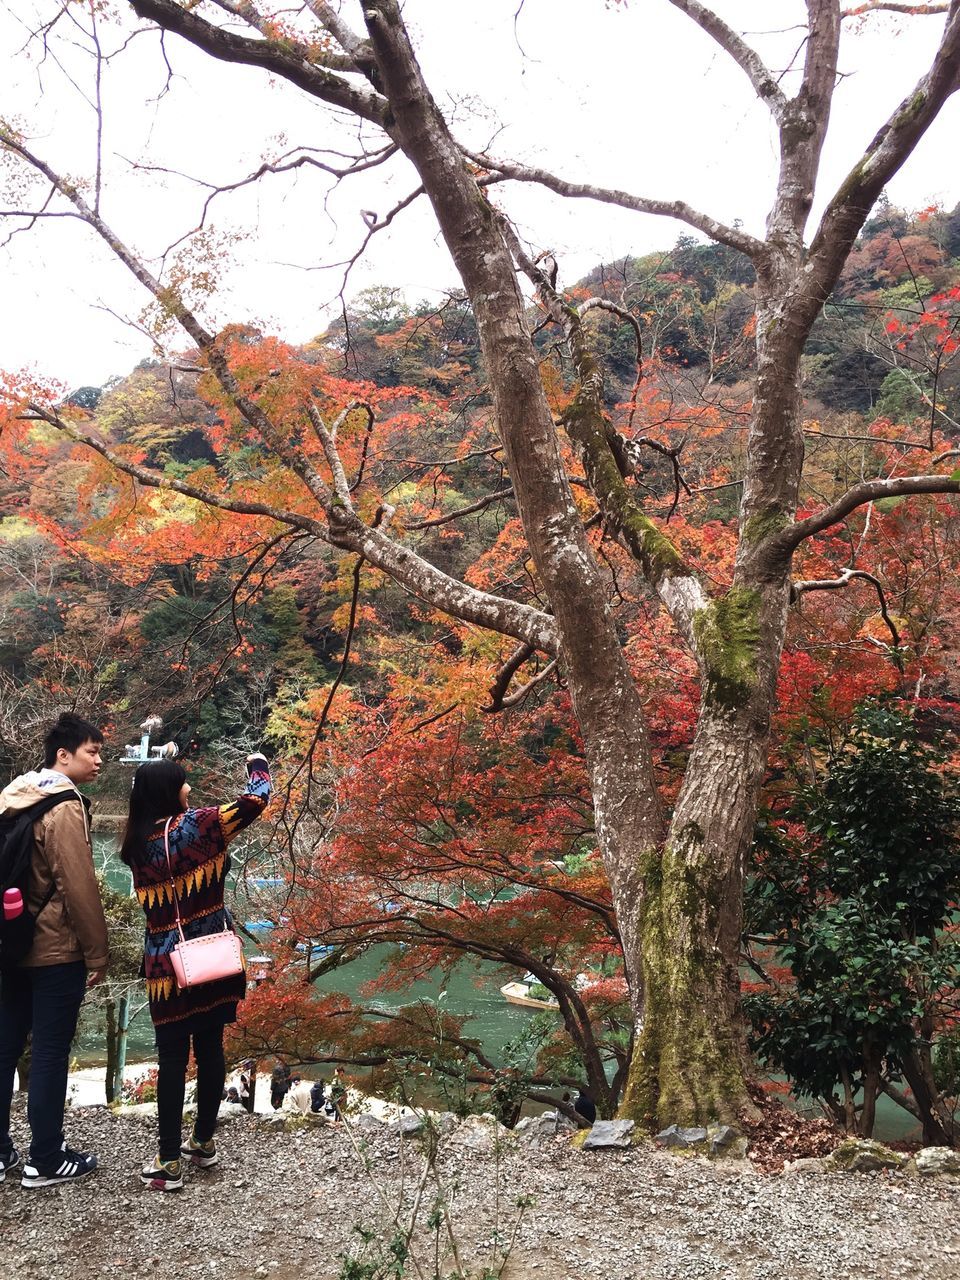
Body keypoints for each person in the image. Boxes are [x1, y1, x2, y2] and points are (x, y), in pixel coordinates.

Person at [120, 752, 270, 1191]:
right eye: (184, 783)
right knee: (210, 1049)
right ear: (171, 791)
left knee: (170, 1059)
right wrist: (257, 764)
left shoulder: (134, 846)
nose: (189, 789)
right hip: (213, 956)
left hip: (165, 965)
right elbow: (256, 799)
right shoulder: (203, 825)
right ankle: (203, 1142)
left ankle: (168, 1160)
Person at [0, 712, 109, 1189]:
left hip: (10, 939)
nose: (100, 760)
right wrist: (98, 953)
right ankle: (44, 1159)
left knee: (4, 1048)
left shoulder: (14, 797)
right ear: (63, 755)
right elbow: (79, 885)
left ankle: (1, 1151)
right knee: (48, 1050)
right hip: (54, 949)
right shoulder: (64, 805)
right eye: (92, 751)